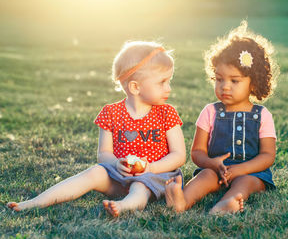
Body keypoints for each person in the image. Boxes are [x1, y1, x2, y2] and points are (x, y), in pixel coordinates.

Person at [7, 41, 186, 217]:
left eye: (169, 81)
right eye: (162, 82)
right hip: (120, 178)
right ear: (135, 87)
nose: (168, 88)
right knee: (94, 171)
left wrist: (152, 168)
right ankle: (36, 202)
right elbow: (104, 154)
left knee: (139, 186)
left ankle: (124, 206)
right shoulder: (110, 113)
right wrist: (116, 164)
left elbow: (179, 155)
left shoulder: (166, 113)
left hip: (157, 178)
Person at [165, 21, 279, 214]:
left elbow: (268, 156)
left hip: (251, 172)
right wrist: (212, 164)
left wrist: (240, 169)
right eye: (219, 79)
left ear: (253, 83)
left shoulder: (262, 115)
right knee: (204, 178)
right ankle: (181, 201)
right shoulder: (210, 112)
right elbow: (198, 153)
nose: (225, 86)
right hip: (216, 171)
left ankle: (228, 202)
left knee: (246, 183)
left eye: (235, 80)